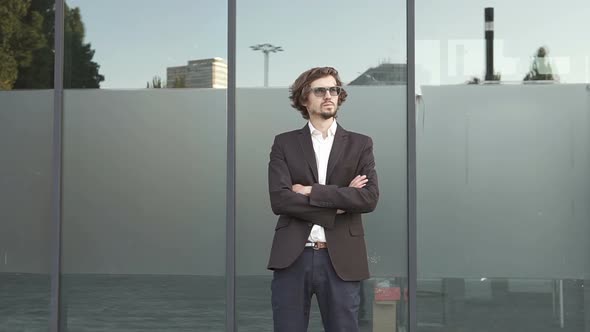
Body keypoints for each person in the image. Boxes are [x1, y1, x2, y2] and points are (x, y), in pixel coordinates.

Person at [267, 66, 379, 332]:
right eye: (320, 90)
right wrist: (338, 205)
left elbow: (368, 198)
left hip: (342, 260)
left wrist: (311, 191)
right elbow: (280, 200)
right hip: (293, 258)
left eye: (334, 90)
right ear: (304, 98)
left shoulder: (360, 144)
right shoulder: (284, 143)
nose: (329, 95)